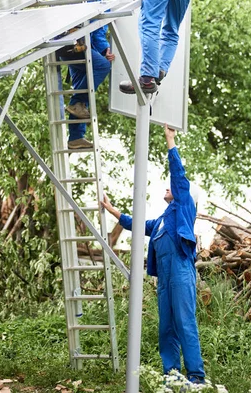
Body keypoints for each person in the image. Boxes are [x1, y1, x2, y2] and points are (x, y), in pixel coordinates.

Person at [101, 125, 205, 384]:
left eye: (172, 187)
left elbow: (179, 176)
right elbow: (136, 223)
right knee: (166, 327)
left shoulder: (183, 207)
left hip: (181, 271)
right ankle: (172, 377)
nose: (168, 188)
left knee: (184, 323)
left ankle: (196, 378)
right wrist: (113, 211)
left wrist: (170, 140)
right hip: (164, 279)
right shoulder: (160, 221)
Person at [63, 0, 115, 150]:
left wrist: (104, 49)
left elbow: (99, 30)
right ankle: (76, 102)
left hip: (86, 47)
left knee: (82, 85)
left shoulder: (103, 0)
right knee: (101, 66)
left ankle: (76, 137)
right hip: (72, 46)